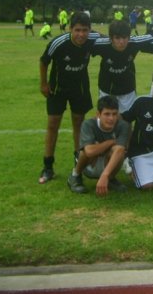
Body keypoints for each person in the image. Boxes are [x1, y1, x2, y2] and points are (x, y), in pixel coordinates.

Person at [38, 11, 101, 184]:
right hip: (58, 88)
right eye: (77, 30)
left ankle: (77, 163)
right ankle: (48, 166)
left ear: (90, 30)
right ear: (70, 29)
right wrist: (43, 84)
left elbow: (113, 40)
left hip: (79, 88)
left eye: (85, 30)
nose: (81, 34)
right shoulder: (58, 42)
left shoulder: (94, 38)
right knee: (53, 124)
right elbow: (44, 61)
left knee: (79, 123)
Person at [67, 96, 130, 195]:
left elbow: (119, 150)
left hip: (108, 163)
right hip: (89, 164)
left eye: (114, 114)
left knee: (119, 152)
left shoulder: (123, 126)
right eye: (107, 114)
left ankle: (110, 179)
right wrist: (111, 142)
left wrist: (105, 175)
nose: (111, 118)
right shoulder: (88, 124)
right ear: (98, 114)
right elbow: (89, 151)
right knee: (84, 151)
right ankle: (75, 175)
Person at [91, 20, 153, 114]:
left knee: (126, 119)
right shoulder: (101, 44)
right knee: (106, 118)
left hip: (128, 90)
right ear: (111, 38)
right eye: (117, 38)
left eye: (124, 37)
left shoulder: (135, 42)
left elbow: (151, 36)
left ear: (129, 37)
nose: (121, 42)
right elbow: (86, 38)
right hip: (107, 89)